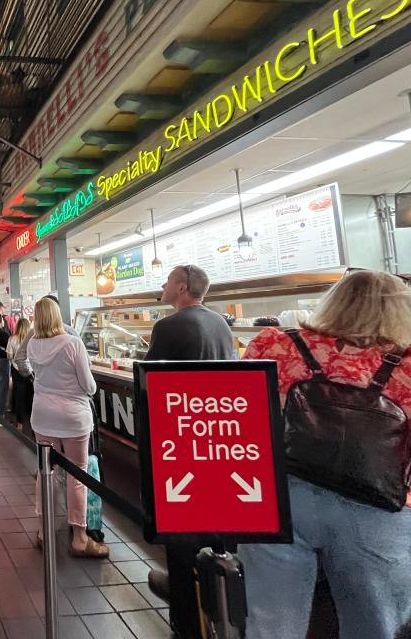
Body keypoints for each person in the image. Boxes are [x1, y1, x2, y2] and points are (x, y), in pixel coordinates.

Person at [241, 270, 411, 639]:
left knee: (271, 623)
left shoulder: (275, 345)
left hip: (280, 496)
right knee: (376, 624)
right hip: (382, 506)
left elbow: (242, 418)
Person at [144, 264, 234, 638]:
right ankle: (216, 595)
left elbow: (149, 379)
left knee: (180, 521)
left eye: (167, 281)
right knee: (215, 515)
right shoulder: (221, 324)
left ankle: (185, 616)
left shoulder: (168, 326)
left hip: (180, 432)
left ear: (182, 288)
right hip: (218, 433)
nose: (163, 286)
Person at [28, 298, 108, 558]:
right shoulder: (73, 343)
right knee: (78, 475)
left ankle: (42, 530)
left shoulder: (32, 344)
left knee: (45, 470)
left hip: (42, 415)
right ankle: (79, 537)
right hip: (73, 417)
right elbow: (89, 385)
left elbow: (33, 373)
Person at [7, 316, 34, 434]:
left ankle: (19, 422)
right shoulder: (32, 338)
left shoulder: (12, 339)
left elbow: (9, 355)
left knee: (19, 395)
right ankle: (33, 423)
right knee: (31, 395)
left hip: (17, 369)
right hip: (31, 371)